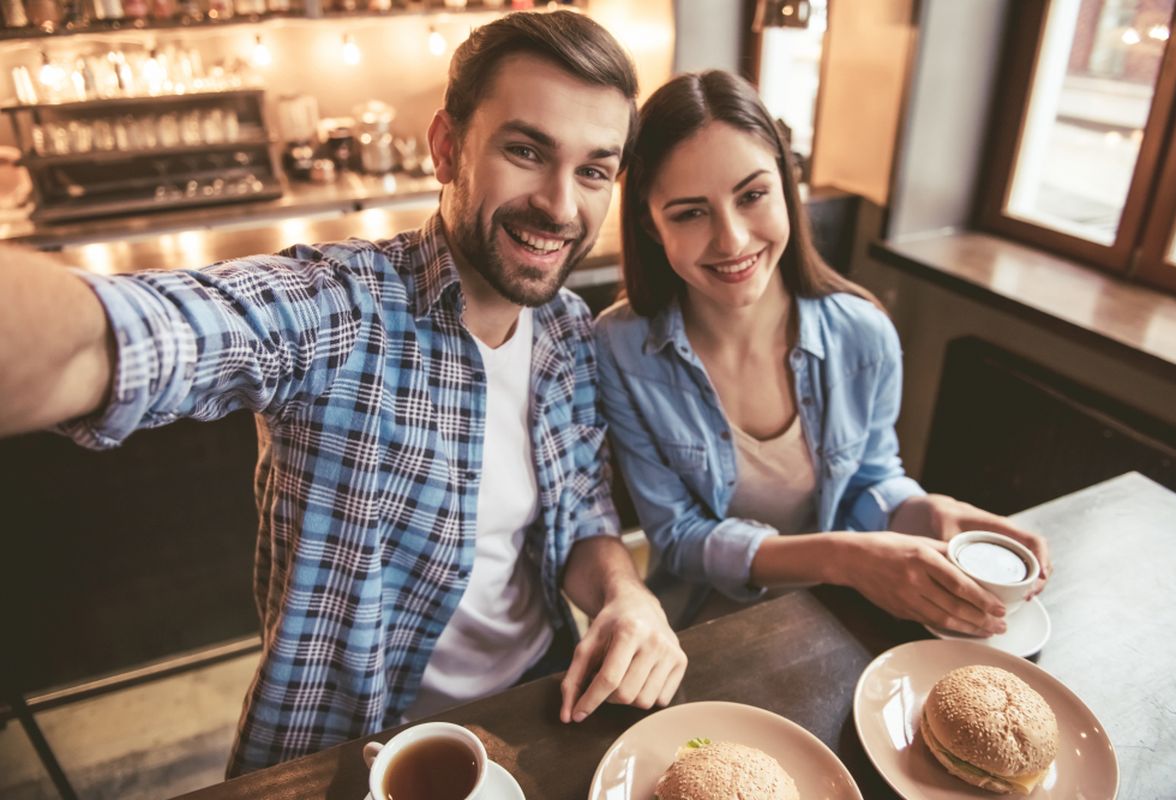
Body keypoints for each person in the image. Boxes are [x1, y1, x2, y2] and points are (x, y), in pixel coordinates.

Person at [0, 12, 686, 775]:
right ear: (447, 147)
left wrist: (626, 594)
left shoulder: (565, 331)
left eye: (595, 170)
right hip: (347, 752)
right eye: (526, 150)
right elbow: (117, 340)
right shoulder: (340, 307)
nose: (561, 206)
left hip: (541, 705)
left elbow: (581, 511)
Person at [594, 70, 1052, 633]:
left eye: (753, 195)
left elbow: (869, 480)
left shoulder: (865, 333)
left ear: (789, 187)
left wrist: (922, 511)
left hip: (843, 614)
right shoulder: (620, 348)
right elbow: (679, 537)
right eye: (690, 212)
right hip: (699, 630)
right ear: (649, 222)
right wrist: (843, 558)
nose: (732, 240)